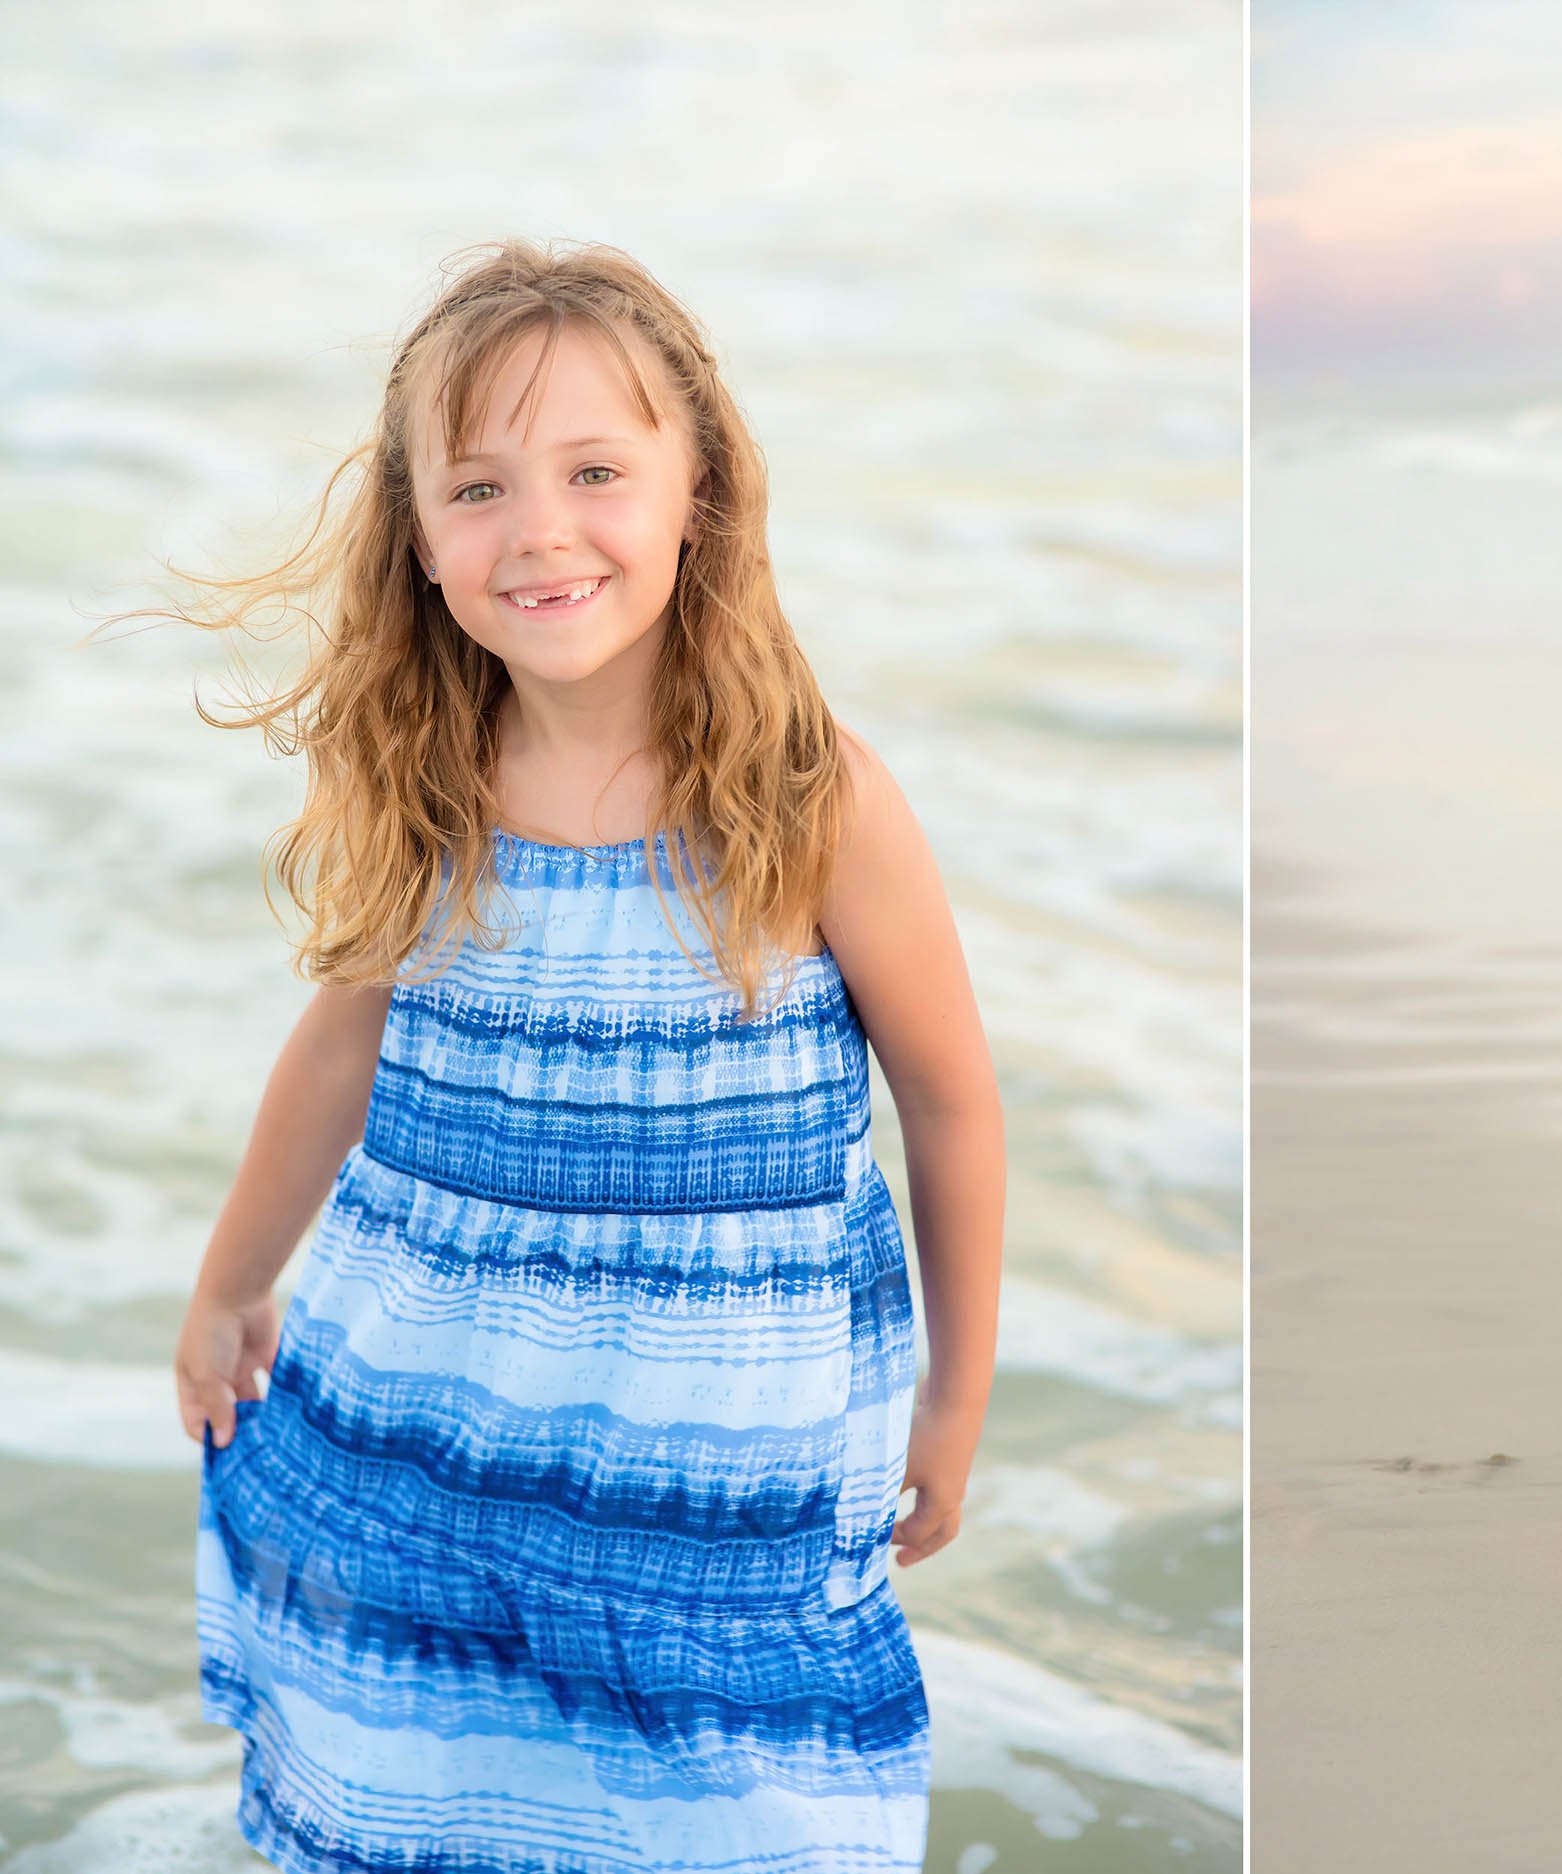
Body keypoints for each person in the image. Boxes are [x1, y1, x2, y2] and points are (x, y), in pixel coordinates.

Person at [151, 238, 1004, 1869]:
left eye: (597, 469)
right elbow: (337, 1052)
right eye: (477, 487)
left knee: (753, 1816)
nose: (540, 529)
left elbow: (952, 1106)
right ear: (418, 540)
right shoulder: (433, 783)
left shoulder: (807, 797)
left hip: (722, 1467)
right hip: (434, 1424)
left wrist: (955, 1399)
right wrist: (228, 1280)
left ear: (700, 492)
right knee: (439, 1797)